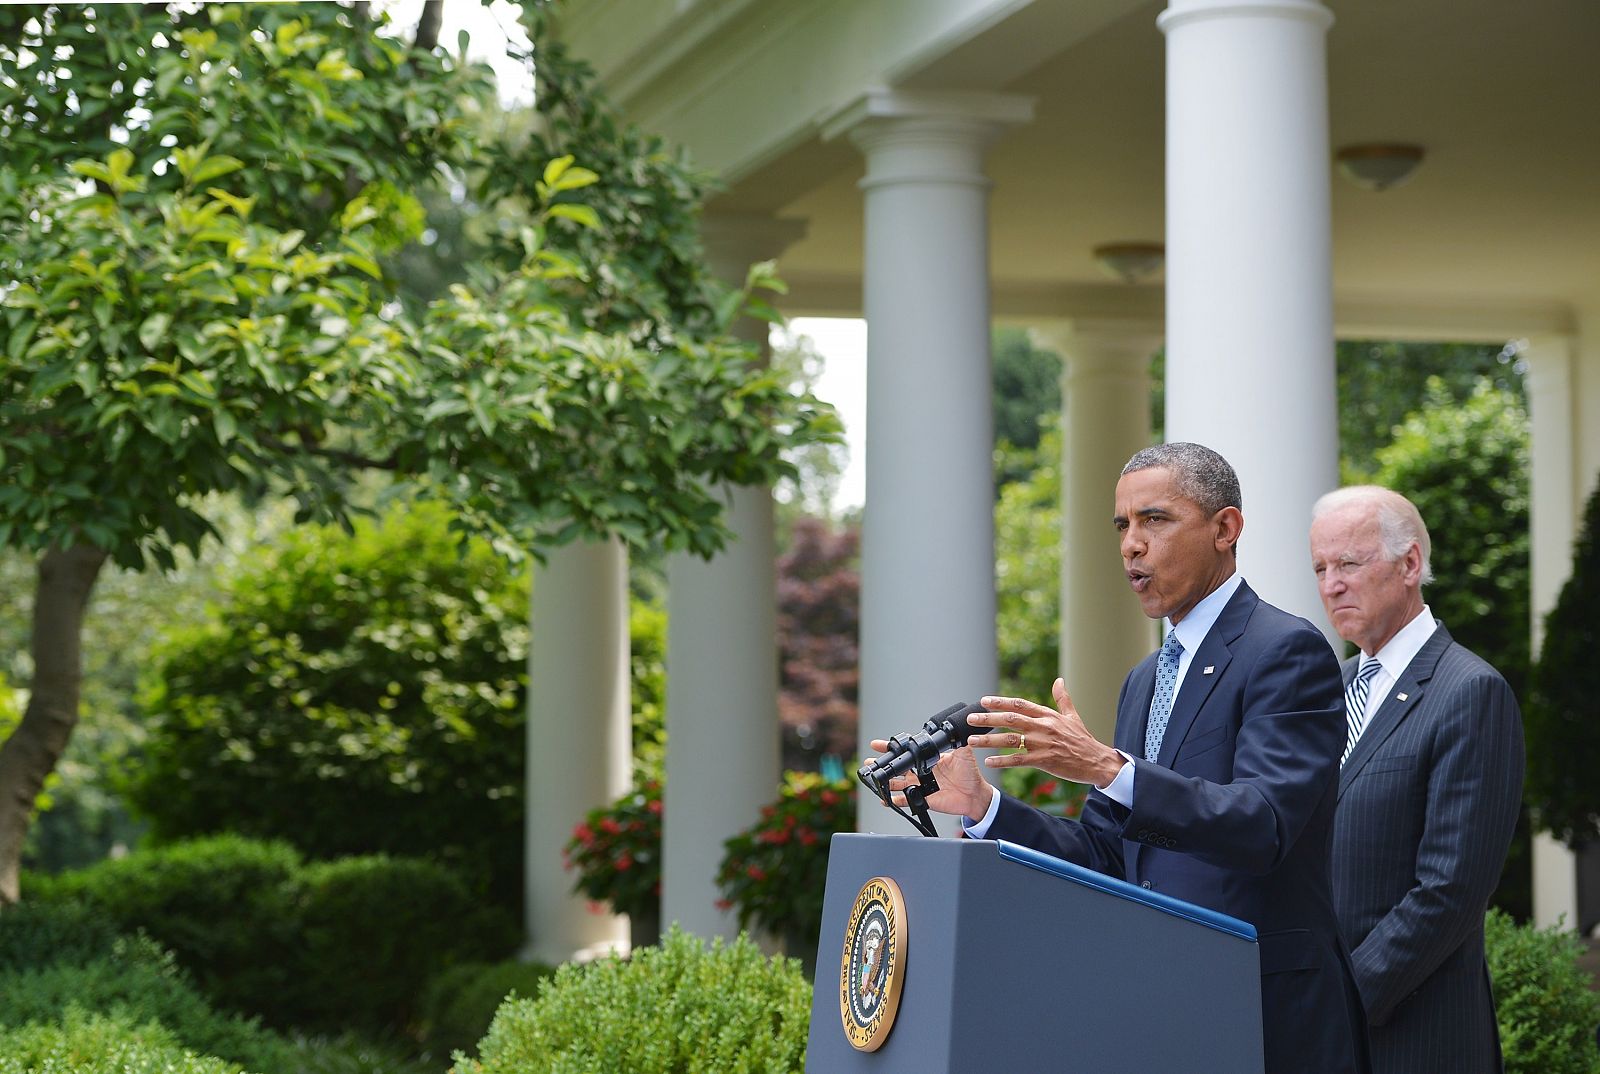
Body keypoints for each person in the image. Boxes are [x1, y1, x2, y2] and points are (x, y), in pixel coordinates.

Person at [875, 442, 1369, 1074]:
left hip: (1263, 1010)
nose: (1131, 544)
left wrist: (1108, 769)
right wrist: (986, 808)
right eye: (1122, 526)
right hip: (1156, 1008)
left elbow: (1264, 824)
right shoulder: (1145, 680)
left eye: (1155, 520)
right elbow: (1110, 856)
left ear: (1227, 528)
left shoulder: (1286, 650)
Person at [1309, 486, 1524, 1074]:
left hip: (1417, 1039)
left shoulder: (1470, 691)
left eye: (1349, 564)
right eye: (1321, 568)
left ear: (1409, 565)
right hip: (1321, 1034)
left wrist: (1341, 998)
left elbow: (1450, 890)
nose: (1331, 585)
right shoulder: (1329, 689)